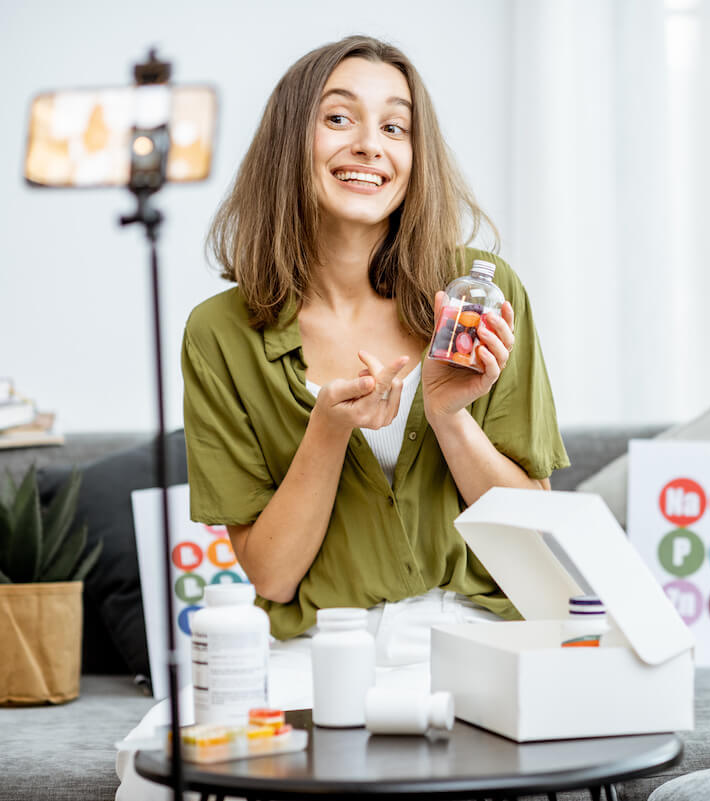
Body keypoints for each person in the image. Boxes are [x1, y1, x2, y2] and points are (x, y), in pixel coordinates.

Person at [181, 34, 568, 652]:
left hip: (481, 635)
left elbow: (532, 538)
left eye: (395, 127)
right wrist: (327, 431)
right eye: (338, 118)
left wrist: (449, 415)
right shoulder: (220, 334)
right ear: (289, 145)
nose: (369, 144)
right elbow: (272, 576)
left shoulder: (480, 297)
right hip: (323, 646)